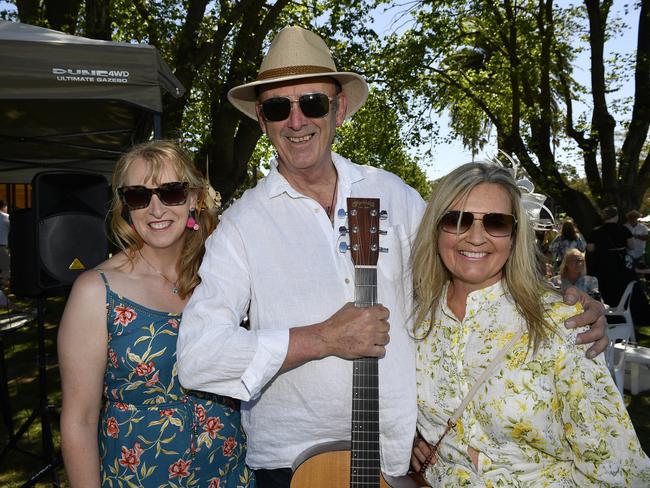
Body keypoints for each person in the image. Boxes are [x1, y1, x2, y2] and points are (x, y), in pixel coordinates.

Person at [176, 26, 607, 487]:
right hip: (294, 465)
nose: (296, 121)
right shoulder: (242, 226)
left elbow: (468, 264)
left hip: (397, 455)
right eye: (279, 107)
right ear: (262, 120)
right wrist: (321, 338)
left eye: (313, 103)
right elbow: (199, 357)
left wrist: (558, 302)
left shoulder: (393, 195)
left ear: (339, 108)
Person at [409, 162, 650, 486]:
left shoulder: (560, 323)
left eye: (495, 223)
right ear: (436, 229)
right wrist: (408, 438)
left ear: (514, 236)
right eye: (458, 220)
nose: (476, 237)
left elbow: (616, 467)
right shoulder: (414, 321)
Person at [58, 141, 254, 487]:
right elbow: (80, 419)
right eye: (139, 196)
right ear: (125, 207)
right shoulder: (96, 291)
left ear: (194, 198)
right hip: (140, 476)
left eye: (171, 192)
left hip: (230, 474)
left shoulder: (223, 277)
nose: (155, 208)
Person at [586, 205, 635, 306]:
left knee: (605, 288)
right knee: (621, 288)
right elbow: (632, 246)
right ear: (616, 216)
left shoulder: (596, 232)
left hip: (602, 265)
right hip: (620, 265)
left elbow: (590, 248)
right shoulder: (624, 229)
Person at [0, 200, 10, 288]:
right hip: (2, 245)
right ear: (4, 207)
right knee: (5, 268)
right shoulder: (6, 217)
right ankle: (3, 287)